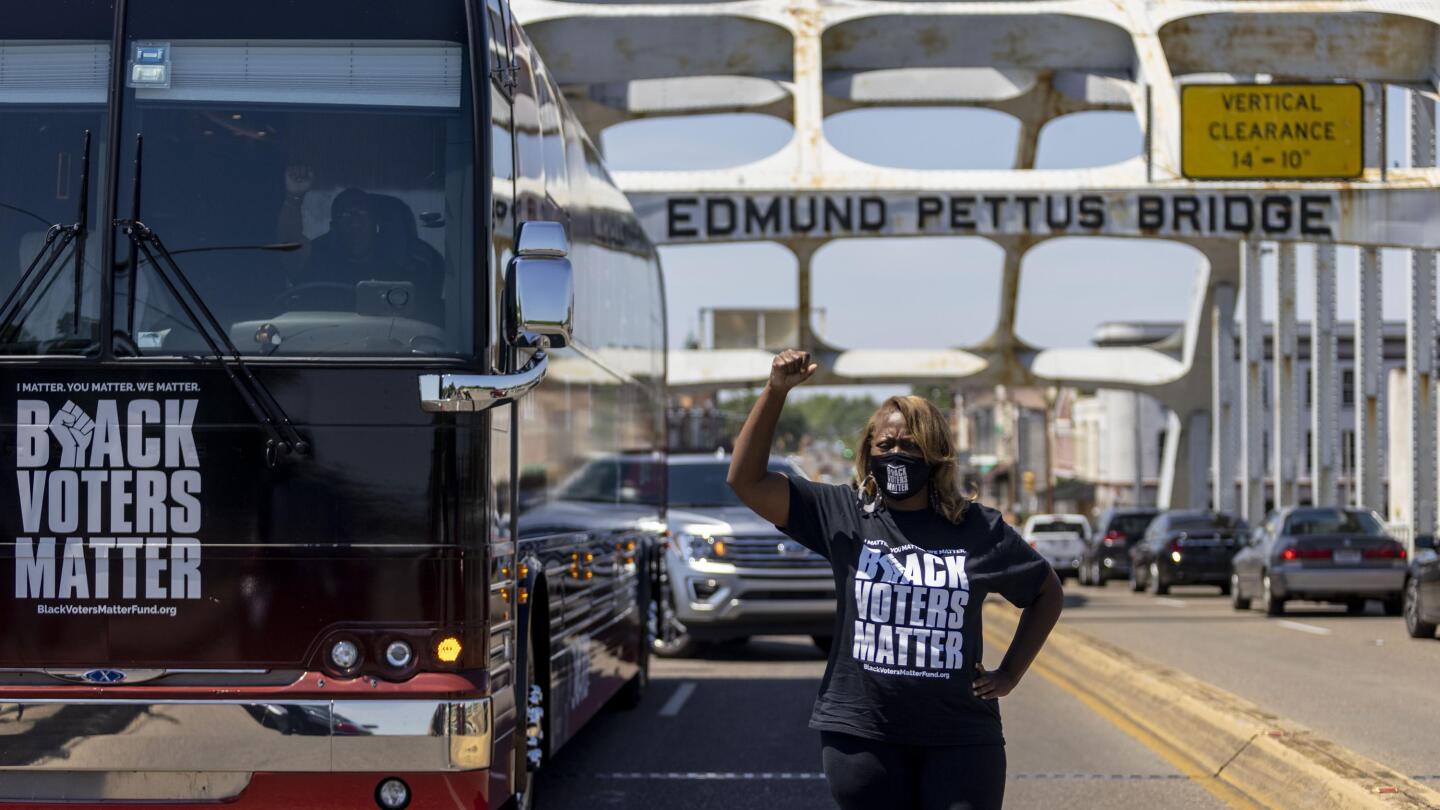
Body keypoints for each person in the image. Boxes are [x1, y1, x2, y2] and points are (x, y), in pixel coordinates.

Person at [727, 349, 1064, 810]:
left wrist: (1009, 673)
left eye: (910, 445)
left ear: (935, 454)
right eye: (885, 445)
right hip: (864, 735)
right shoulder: (842, 513)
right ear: (868, 452)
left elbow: (1046, 591)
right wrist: (775, 392)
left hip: (961, 737)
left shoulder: (978, 528)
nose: (896, 454)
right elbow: (746, 481)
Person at [276, 165, 443, 317]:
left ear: (376, 223)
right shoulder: (316, 259)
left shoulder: (403, 265)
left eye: (362, 213)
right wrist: (294, 198)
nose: (355, 222)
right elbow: (289, 241)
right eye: (346, 215)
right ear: (334, 226)